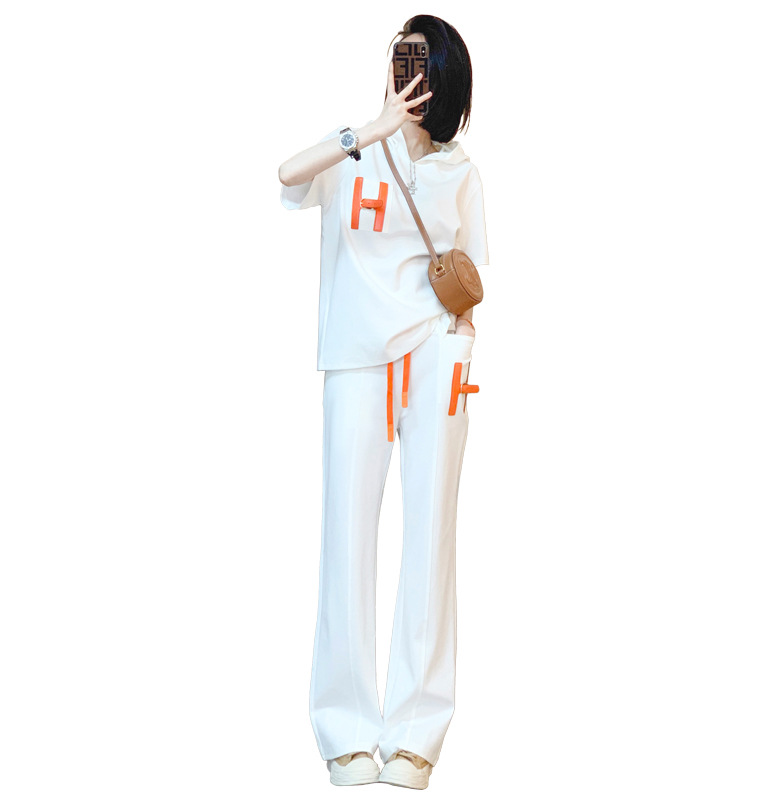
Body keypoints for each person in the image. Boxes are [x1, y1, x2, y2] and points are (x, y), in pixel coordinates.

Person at [278, 14, 489, 790]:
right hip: (357, 360)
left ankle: (416, 734)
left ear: (447, 79)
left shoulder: (460, 170)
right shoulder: (354, 151)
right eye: (402, 57)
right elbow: (286, 176)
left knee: (431, 536)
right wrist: (370, 128)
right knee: (347, 538)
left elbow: (472, 275)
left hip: (436, 358)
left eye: (423, 61)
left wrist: (462, 344)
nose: (409, 71)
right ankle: (345, 730)